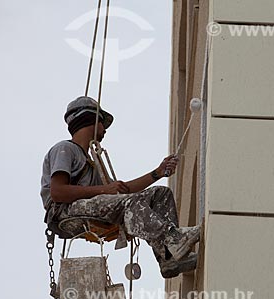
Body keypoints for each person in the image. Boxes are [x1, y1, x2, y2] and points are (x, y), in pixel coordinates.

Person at [41, 96, 200, 279]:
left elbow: (122, 191)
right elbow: (58, 192)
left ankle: (169, 258)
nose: (105, 130)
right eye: (102, 123)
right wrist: (103, 190)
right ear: (90, 119)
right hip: (65, 212)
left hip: (84, 207)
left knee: (160, 194)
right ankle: (174, 239)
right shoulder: (65, 149)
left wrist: (157, 173)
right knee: (130, 204)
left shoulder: (90, 163)